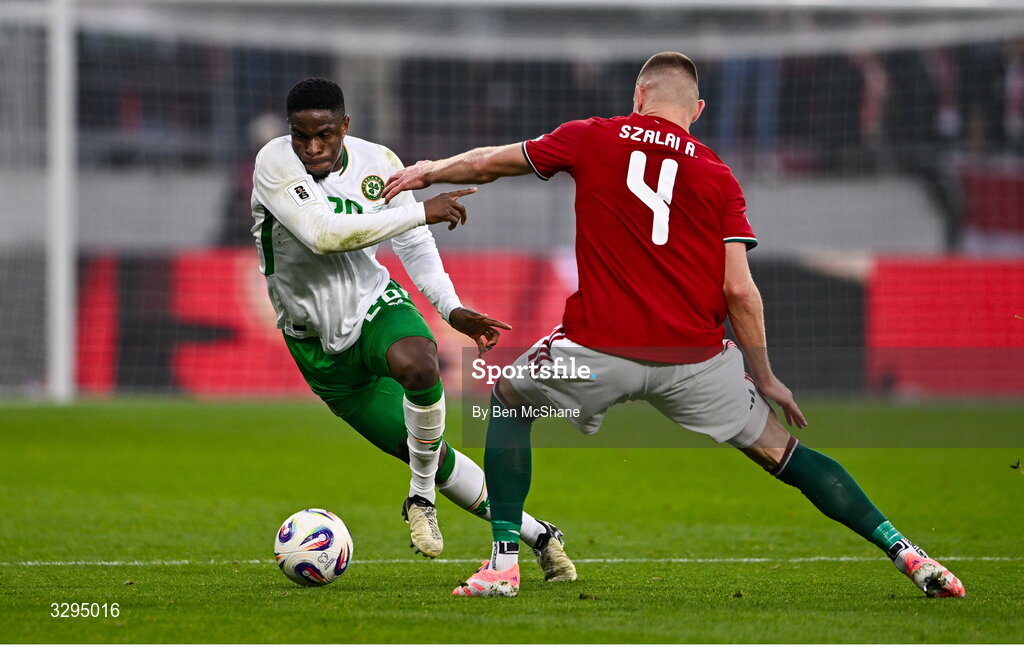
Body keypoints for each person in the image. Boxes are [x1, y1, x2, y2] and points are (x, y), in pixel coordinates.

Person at [383, 53, 965, 599]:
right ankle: (907, 553)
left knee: (509, 399)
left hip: (597, 349)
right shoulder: (717, 174)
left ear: (639, 95)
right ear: (698, 111)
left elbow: (490, 163)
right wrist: (765, 375)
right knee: (783, 452)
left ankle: (504, 563)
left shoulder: (592, 135)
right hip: (694, 362)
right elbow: (740, 290)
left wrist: (429, 171)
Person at [251, 77, 576, 581]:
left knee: (421, 365)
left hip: (372, 304)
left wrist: (451, 308)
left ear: (345, 127)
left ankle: (419, 497)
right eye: (301, 135)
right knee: (435, 455)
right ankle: (540, 536)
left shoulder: (378, 162)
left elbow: (415, 246)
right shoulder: (274, 163)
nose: (312, 147)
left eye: (325, 135)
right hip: (317, 348)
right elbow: (321, 235)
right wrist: (421, 210)